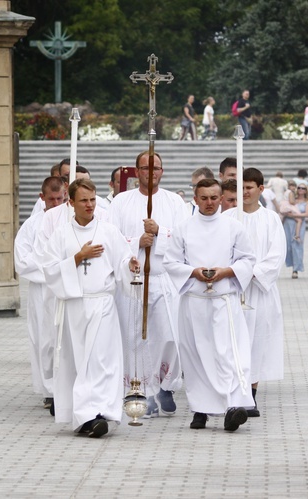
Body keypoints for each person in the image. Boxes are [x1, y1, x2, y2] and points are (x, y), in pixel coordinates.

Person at [40, 178, 139, 438]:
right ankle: (85, 416)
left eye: (93, 199)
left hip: (103, 304)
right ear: (70, 202)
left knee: (103, 361)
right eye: (83, 200)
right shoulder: (61, 235)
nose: (89, 205)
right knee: (79, 363)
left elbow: (122, 262)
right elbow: (49, 270)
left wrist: (131, 266)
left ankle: (101, 413)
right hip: (74, 306)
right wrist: (78, 257)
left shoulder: (108, 231)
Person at [164, 178, 256, 431]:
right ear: (195, 199)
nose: (209, 203)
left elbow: (248, 259)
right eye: (203, 198)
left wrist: (226, 272)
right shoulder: (183, 228)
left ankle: (232, 406)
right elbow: (171, 262)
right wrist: (193, 272)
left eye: (214, 198)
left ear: (221, 198)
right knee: (195, 355)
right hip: (193, 302)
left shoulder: (233, 226)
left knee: (227, 354)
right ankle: (200, 410)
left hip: (223, 302)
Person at [109, 151, 188, 418]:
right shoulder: (121, 202)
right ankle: (140, 391)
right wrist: (136, 243)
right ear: (137, 171)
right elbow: (112, 238)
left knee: (169, 335)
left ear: (162, 172)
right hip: (133, 280)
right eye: (146, 168)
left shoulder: (175, 202)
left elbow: (183, 238)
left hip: (163, 279)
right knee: (134, 337)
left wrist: (160, 232)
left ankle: (164, 385)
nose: (151, 173)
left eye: (156, 169)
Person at [229, 168, 286, 417]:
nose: (245, 192)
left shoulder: (271, 219)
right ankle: (233, 393)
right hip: (232, 288)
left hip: (260, 290)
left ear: (261, 189)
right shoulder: (229, 217)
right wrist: (236, 272)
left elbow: (277, 254)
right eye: (241, 188)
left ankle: (250, 396)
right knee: (234, 341)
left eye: (249, 188)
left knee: (258, 341)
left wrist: (252, 272)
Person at [14, 176, 66, 409]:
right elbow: (22, 262)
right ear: (42, 198)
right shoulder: (32, 226)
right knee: (44, 338)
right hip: (42, 288)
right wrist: (52, 266)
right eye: (51, 199)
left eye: (60, 198)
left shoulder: (72, 221)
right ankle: (49, 389)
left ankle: (67, 384)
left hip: (67, 287)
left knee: (66, 338)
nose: (56, 204)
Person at [281, 182, 308, 278]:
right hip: (288, 223)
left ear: (306, 190)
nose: (301, 190)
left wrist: (294, 215)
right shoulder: (292, 199)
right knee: (288, 246)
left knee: (297, 246)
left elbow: (306, 214)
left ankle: (296, 269)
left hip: (300, 224)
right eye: (299, 188)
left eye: (303, 188)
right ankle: (291, 264)